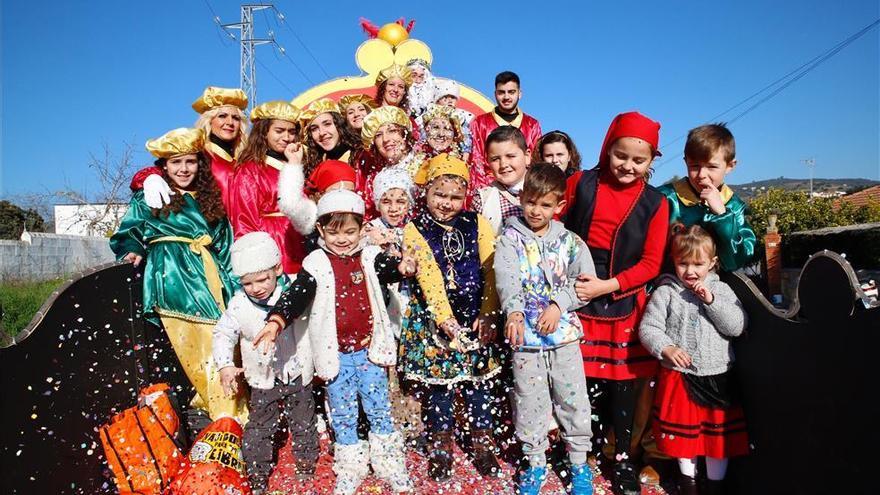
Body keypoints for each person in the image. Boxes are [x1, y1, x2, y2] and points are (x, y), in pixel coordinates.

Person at [256, 190, 416, 495]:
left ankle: (389, 461)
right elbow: (297, 295)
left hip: (370, 351)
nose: (342, 239)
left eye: (350, 232)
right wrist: (276, 320)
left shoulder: (369, 256)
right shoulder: (316, 262)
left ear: (361, 227)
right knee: (342, 411)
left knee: (378, 406)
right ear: (320, 230)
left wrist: (403, 268)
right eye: (333, 232)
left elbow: (389, 270)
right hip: (336, 354)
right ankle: (351, 463)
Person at [563, 111, 670, 495]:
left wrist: (607, 285)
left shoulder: (656, 203)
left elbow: (651, 263)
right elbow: (558, 228)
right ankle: (583, 456)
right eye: (620, 156)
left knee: (624, 389)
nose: (628, 165)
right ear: (608, 149)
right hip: (578, 297)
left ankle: (622, 458)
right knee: (583, 386)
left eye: (638, 160)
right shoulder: (581, 183)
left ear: (652, 161)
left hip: (622, 299)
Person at [110, 127, 246, 427]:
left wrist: (236, 289)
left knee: (222, 345)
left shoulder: (211, 200)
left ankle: (222, 413)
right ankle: (227, 415)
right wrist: (132, 249)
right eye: (176, 162)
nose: (184, 169)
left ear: (200, 164)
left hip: (212, 280)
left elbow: (225, 247)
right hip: (172, 279)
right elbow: (128, 231)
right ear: (164, 166)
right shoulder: (150, 195)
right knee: (195, 353)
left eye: (190, 162)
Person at [400, 154, 503, 482]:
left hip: (476, 318)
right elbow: (428, 275)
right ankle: (441, 447)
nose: (447, 203)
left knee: (479, 386)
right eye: (439, 195)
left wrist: (488, 313)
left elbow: (491, 268)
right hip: (438, 321)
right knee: (440, 390)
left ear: (466, 196)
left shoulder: (478, 223)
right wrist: (446, 320)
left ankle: (482, 443)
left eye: (455, 197)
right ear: (426, 193)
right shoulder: (415, 229)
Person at [494, 163, 596, 495]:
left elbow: (583, 286)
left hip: (564, 338)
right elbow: (506, 279)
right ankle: (534, 462)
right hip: (525, 340)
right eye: (530, 202)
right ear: (521, 199)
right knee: (529, 400)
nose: (536, 211)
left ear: (559, 206)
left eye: (545, 204)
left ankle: (578, 462)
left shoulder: (571, 243)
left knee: (572, 399)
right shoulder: (509, 239)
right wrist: (514, 314)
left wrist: (558, 305)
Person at [638, 224, 749, 495]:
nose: (690, 271)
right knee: (684, 438)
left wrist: (711, 301)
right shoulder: (667, 292)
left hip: (717, 375)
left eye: (698, 264)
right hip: (679, 376)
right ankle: (688, 483)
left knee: (716, 439)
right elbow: (649, 327)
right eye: (683, 263)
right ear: (673, 261)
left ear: (712, 263)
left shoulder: (721, 290)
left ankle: (715, 486)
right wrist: (666, 348)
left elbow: (736, 326)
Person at [212, 232, 319, 493]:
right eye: (248, 283)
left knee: (303, 419)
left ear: (278, 269)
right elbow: (223, 333)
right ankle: (257, 472)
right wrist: (225, 364)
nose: (256, 287)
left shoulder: (293, 291)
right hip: (262, 377)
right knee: (260, 425)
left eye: (263, 279)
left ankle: (306, 462)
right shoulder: (238, 305)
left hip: (296, 371)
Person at [363, 167, 424, 449]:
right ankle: (386, 425)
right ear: (378, 203)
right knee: (387, 370)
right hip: (383, 310)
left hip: (411, 307)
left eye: (401, 201)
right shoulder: (371, 231)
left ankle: (413, 424)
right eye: (387, 201)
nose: (394, 208)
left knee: (410, 368)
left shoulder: (416, 228)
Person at [658, 123, 757, 272]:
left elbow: (736, 262)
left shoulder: (734, 206)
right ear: (686, 162)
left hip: (713, 289)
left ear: (730, 165)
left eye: (712, 167)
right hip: (665, 287)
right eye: (695, 166)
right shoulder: (666, 198)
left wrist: (722, 216)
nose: (702, 175)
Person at [131, 86, 249, 209]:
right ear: (209, 120)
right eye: (222, 116)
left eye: (236, 118)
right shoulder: (200, 153)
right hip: (211, 223)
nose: (230, 122)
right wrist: (151, 178)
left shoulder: (244, 157)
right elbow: (168, 169)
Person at [230, 101, 311, 273]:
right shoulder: (250, 169)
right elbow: (244, 220)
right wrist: (256, 261)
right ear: (264, 133)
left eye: (292, 132)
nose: (287, 137)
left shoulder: (296, 163)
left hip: (301, 240)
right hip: (274, 244)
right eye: (279, 131)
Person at [469, 71, 542, 192]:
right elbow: (476, 161)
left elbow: (536, 161)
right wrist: (487, 191)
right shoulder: (480, 123)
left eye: (511, 92)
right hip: (490, 187)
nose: (506, 97)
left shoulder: (532, 124)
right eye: (501, 92)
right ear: (495, 94)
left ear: (520, 94)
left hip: (525, 189)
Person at [356, 106, 422, 217]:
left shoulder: (425, 165)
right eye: (378, 135)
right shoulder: (372, 178)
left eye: (392, 131)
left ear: (404, 134)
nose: (386, 139)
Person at [471, 126, 529, 235]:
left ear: (527, 156)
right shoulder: (482, 199)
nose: (503, 165)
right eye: (495, 159)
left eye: (510, 156)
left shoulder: (546, 189)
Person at [299, 98, 362, 174]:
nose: (322, 133)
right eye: (314, 129)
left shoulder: (361, 154)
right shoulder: (312, 167)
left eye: (327, 124)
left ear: (339, 125)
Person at [374, 63, 420, 140]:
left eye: (400, 87)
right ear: (383, 88)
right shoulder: (370, 115)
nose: (395, 90)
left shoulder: (409, 121)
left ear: (404, 92)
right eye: (391, 84)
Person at [431, 79, 474, 162]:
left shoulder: (460, 117)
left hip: (454, 155)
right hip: (432, 155)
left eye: (453, 98)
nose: (450, 101)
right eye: (445, 97)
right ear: (438, 100)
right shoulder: (430, 116)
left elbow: (466, 137)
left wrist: (465, 155)